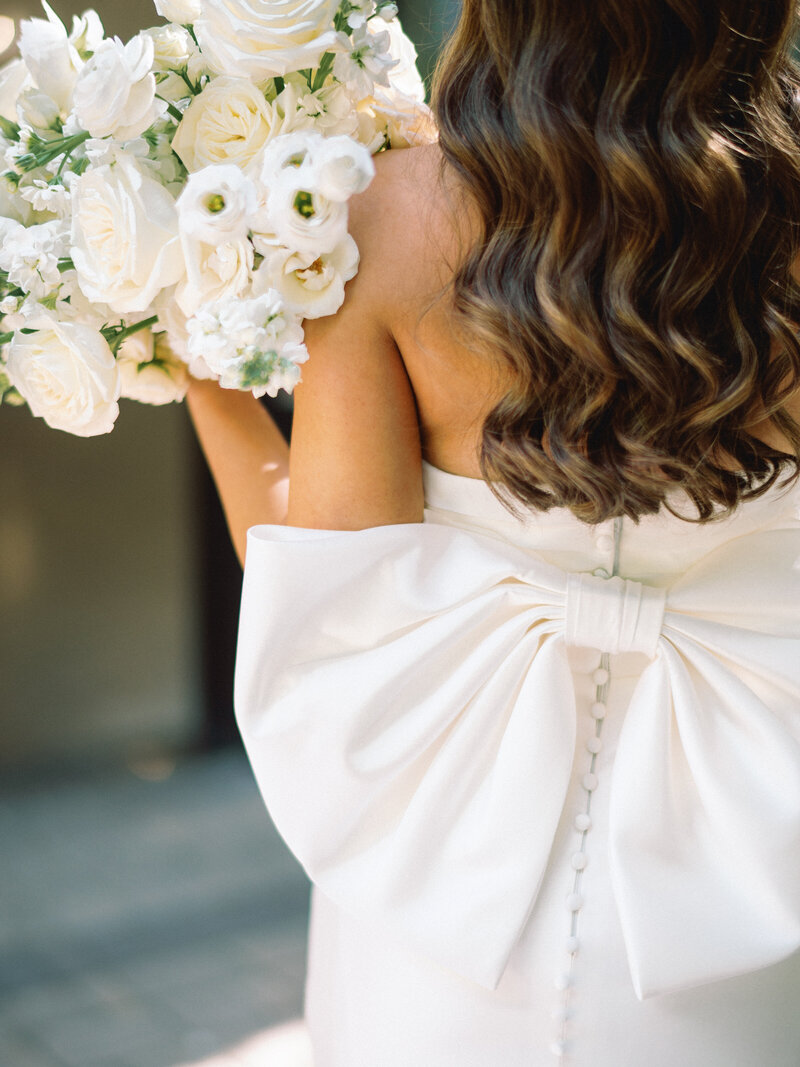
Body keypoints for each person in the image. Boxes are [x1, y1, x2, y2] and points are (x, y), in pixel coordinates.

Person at [186, 1, 800, 1063]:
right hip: (739, 883)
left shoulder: (385, 219)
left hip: (436, 896)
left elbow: (327, 597)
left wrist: (200, 376)